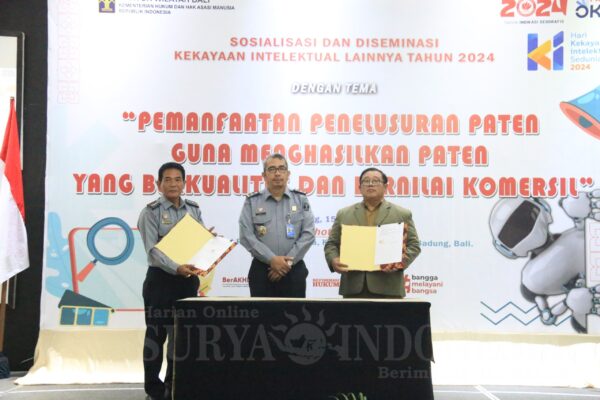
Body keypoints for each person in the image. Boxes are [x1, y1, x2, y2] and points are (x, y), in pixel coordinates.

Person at [138, 162, 205, 400]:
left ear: (184, 183)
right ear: (159, 184)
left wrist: (209, 242)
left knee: (181, 338)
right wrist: (176, 267)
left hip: (187, 282)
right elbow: (153, 251)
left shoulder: (193, 209)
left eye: (178, 179)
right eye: (167, 180)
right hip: (160, 282)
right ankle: (153, 389)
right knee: (156, 336)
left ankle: (172, 385)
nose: (173, 184)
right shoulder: (150, 212)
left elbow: (200, 242)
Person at [324, 167, 421, 298]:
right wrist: (333, 259)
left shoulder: (401, 214)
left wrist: (398, 263)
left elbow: (414, 246)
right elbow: (332, 244)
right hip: (353, 286)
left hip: (388, 287)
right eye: (366, 181)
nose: (370, 184)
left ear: (385, 187)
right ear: (359, 187)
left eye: (375, 181)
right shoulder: (344, 214)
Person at [239, 153, 315, 297]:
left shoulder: (300, 199)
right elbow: (246, 235)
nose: (277, 173)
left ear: (288, 174)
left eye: (282, 169)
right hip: (262, 271)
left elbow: (308, 234)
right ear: (264, 175)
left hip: (294, 270)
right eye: (272, 169)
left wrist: (286, 263)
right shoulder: (252, 201)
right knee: (261, 312)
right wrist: (271, 260)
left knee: (295, 312)